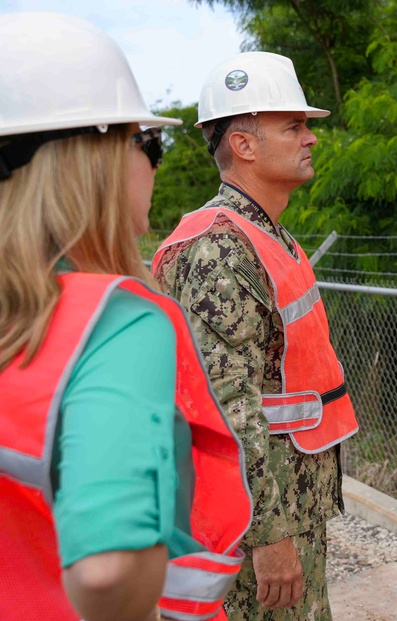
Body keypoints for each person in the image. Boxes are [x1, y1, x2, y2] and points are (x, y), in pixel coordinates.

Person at [0, 12, 252, 621]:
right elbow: (108, 571)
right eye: (150, 143)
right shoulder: (114, 322)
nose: (156, 166)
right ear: (96, 158)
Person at [153, 51, 359, 621]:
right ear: (244, 145)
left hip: (293, 502)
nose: (310, 137)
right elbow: (226, 406)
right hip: (258, 521)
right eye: (293, 126)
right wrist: (267, 537)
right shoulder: (221, 248)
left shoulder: (264, 233)